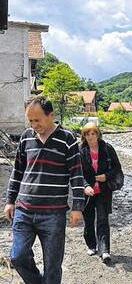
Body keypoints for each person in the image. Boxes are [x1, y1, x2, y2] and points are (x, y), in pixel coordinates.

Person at [3, 96, 91, 284]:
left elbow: (76, 176)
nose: (34, 124)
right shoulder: (26, 137)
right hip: (24, 211)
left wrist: (77, 207)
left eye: (38, 120)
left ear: (51, 115)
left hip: (53, 215)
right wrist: (10, 201)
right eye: (30, 120)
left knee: (52, 266)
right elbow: (17, 171)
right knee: (18, 256)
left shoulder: (67, 139)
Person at [80, 122, 121, 264]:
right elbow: (76, 173)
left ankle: (104, 250)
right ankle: (91, 245)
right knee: (89, 220)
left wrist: (107, 176)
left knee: (103, 220)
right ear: (84, 136)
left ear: (98, 134)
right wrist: (85, 186)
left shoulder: (107, 148)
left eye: (93, 133)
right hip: (88, 193)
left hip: (104, 191)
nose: (91, 137)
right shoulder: (80, 151)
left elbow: (117, 168)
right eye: (87, 134)